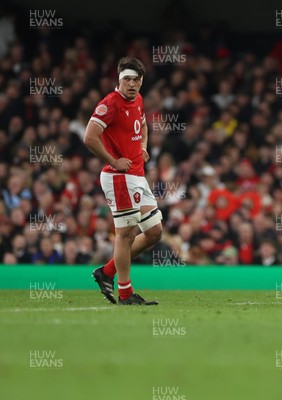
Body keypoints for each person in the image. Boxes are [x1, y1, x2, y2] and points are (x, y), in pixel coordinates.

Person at [84, 57, 162, 305]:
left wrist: (142, 146)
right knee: (125, 235)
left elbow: (143, 126)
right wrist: (114, 160)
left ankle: (106, 272)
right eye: (127, 79)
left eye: (136, 79)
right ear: (119, 80)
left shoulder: (138, 100)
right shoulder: (110, 104)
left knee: (154, 232)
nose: (132, 84)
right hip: (119, 178)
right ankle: (126, 294)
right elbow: (90, 137)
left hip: (137, 175)